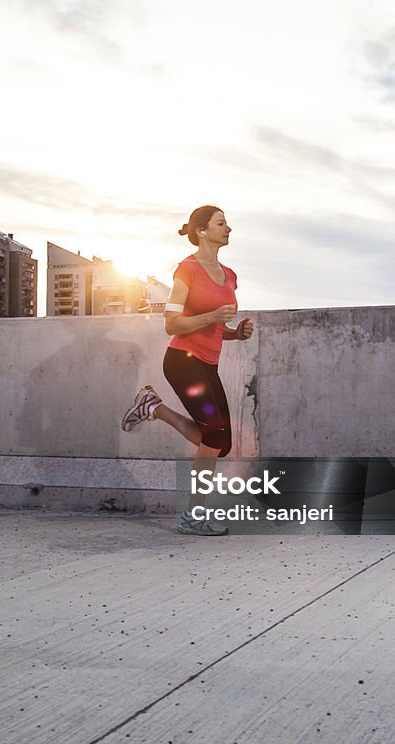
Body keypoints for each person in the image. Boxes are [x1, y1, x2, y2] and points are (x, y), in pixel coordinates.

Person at [121, 205, 253, 536]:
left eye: (227, 223)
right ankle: (192, 516)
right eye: (221, 223)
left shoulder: (229, 275)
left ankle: (153, 407)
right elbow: (172, 323)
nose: (229, 228)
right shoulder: (187, 270)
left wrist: (236, 333)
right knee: (213, 440)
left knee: (220, 444)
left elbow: (215, 324)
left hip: (207, 365)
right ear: (203, 231)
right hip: (183, 363)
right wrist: (212, 317)